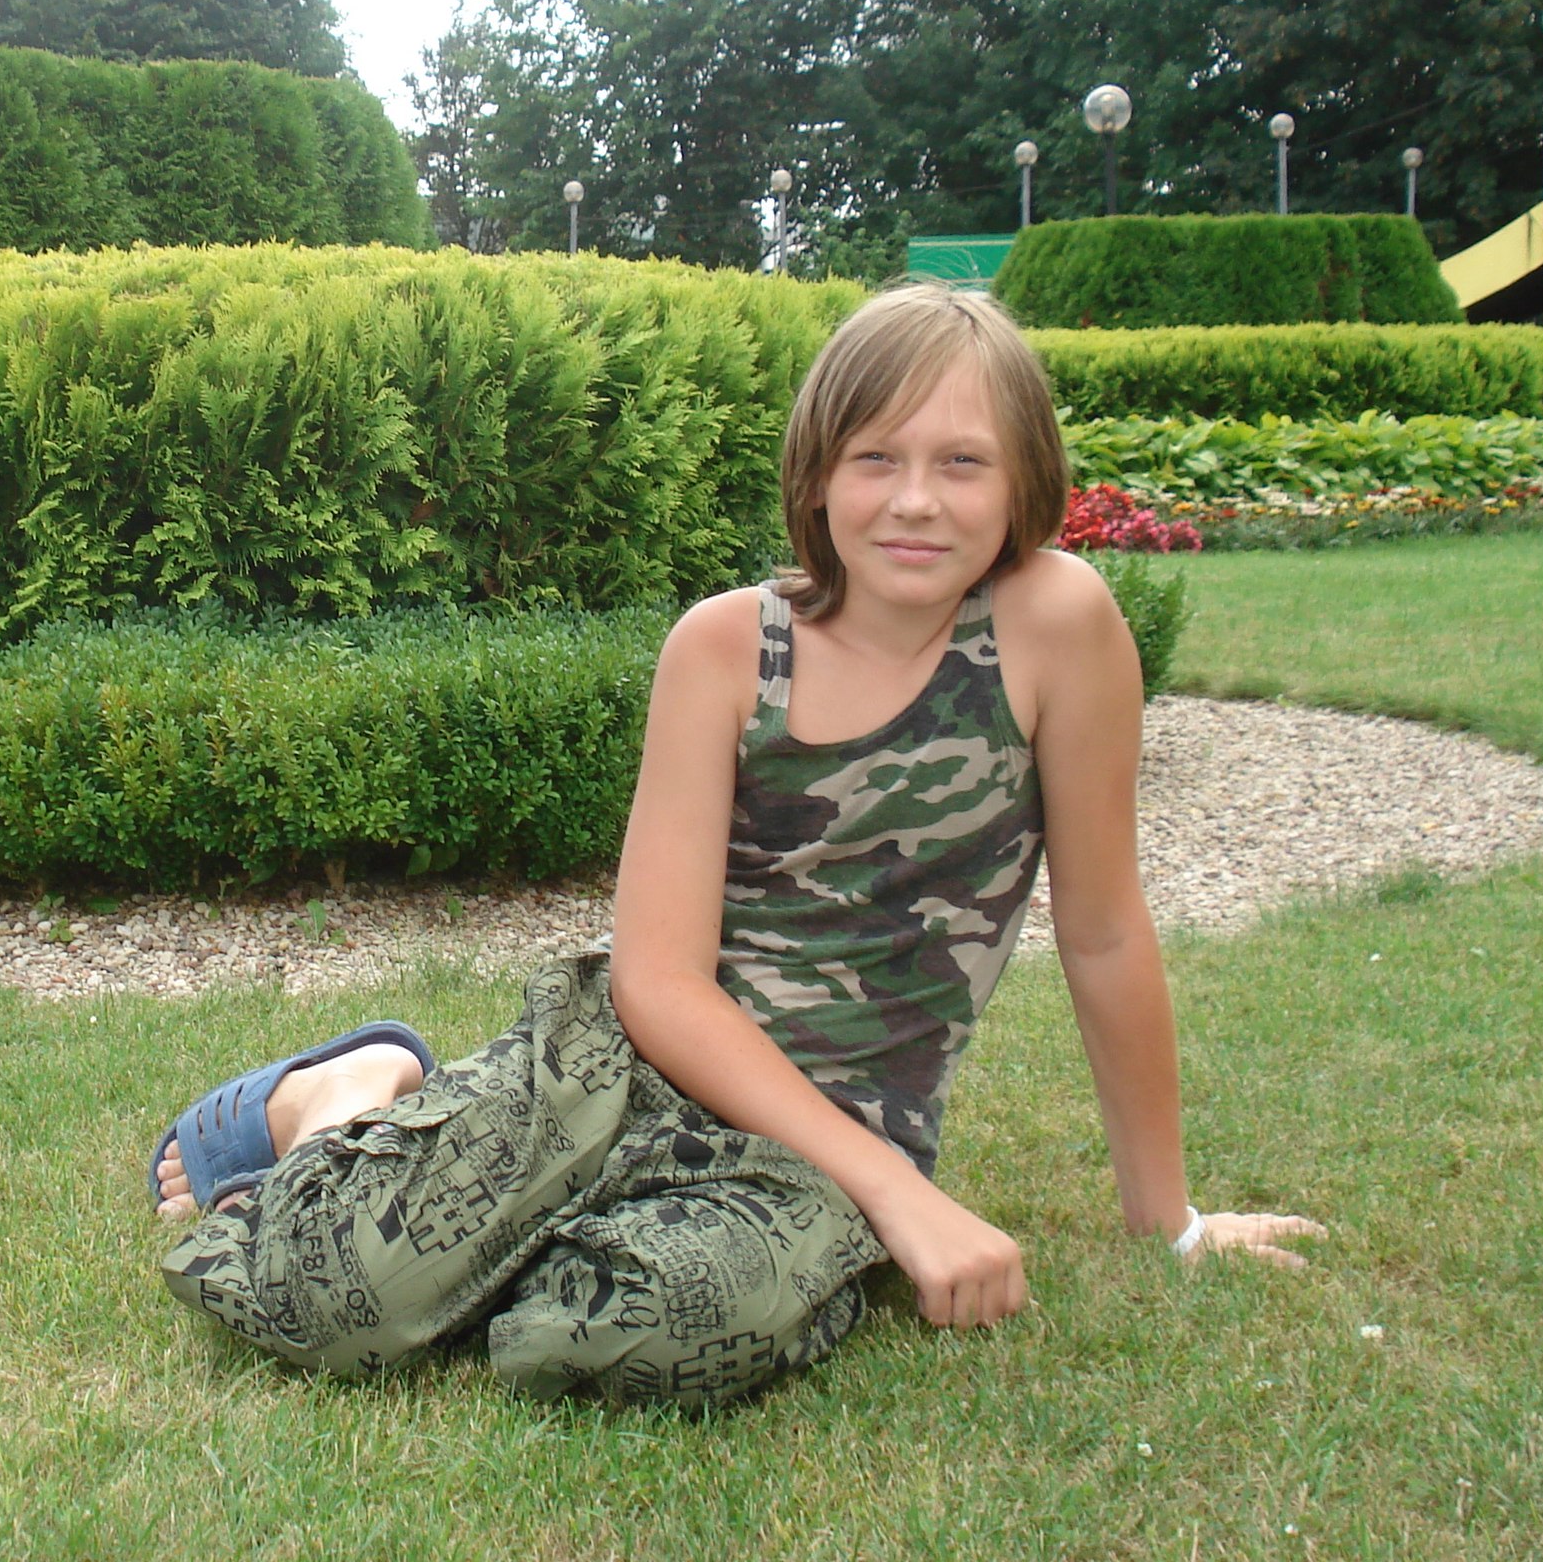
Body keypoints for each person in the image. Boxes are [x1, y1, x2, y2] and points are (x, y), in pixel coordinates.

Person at [149, 284, 1323, 1407]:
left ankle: (500, 1214)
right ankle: (344, 1098)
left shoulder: (1056, 629)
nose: (916, 500)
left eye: (962, 462)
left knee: (639, 1332)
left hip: (831, 1137)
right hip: (621, 1067)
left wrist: (1165, 1221)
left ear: (1026, 479)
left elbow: (1104, 935)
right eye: (875, 458)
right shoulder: (723, 649)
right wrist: (901, 1204)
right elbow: (658, 982)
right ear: (816, 478)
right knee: (322, 1303)